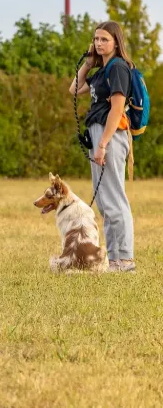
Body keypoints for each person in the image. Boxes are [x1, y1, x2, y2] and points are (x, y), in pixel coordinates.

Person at [69, 20, 136, 273]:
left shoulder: (118, 68)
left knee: (115, 198)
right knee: (105, 202)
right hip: (98, 133)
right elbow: (74, 89)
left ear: (116, 42)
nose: (99, 43)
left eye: (104, 39)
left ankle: (125, 259)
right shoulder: (101, 72)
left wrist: (103, 144)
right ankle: (115, 259)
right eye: (96, 39)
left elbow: (117, 109)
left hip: (111, 135)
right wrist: (88, 61)